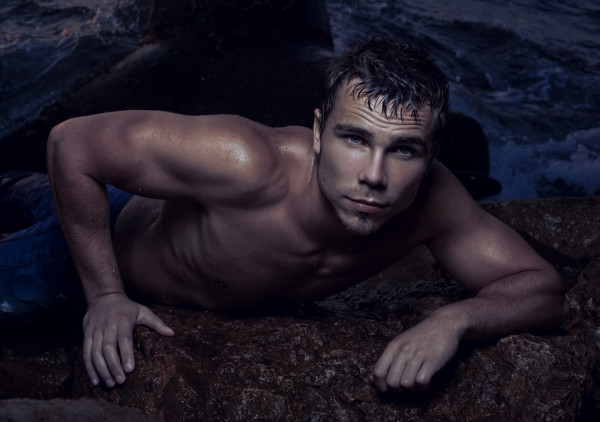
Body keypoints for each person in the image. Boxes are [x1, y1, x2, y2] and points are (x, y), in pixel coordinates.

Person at [0, 38, 567, 393]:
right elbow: (71, 144)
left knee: (33, 189)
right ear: (318, 131)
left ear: (432, 155)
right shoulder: (246, 161)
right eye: (354, 138)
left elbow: (540, 287)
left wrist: (454, 321)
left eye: (403, 150)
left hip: (155, 211)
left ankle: (19, 184)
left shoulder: (433, 203)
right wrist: (104, 297)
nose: (374, 175)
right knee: (53, 204)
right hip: (97, 251)